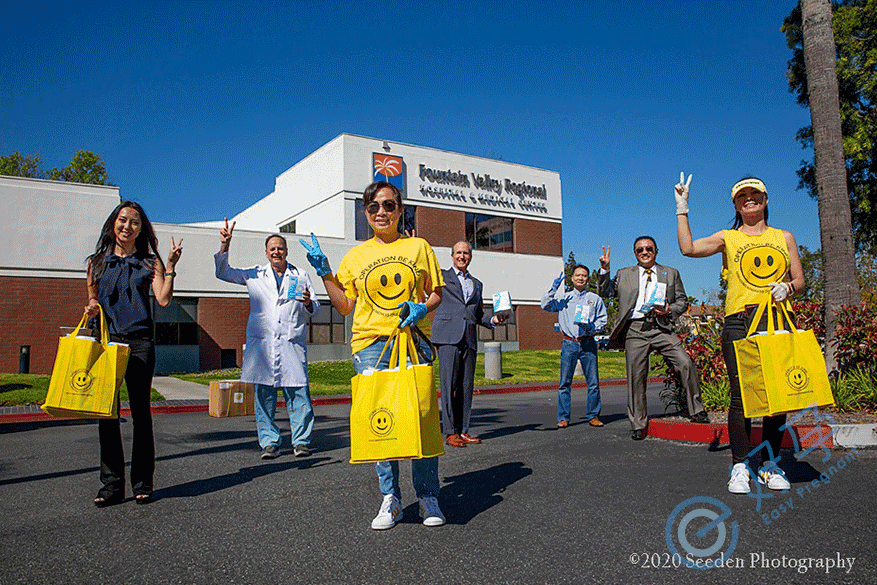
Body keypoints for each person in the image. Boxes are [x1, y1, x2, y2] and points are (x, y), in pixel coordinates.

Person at [300, 181, 446, 530]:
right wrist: (325, 272)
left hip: (411, 341)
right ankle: (390, 499)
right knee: (382, 420)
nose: (381, 212)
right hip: (370, 345)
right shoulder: (355, 256)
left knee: (423, 416)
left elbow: (436, 293)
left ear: (400, 210)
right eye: (373, 207)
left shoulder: (418, 247)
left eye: (389, 205)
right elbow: (345, 305)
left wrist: (421, 309)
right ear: (366, 213)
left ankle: (427, 496)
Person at [675, 172, 804, 494]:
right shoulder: (728, 238)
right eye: (742, 195)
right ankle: (740, 466)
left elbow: (800, 281)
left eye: (755, 194)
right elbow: (688, 249)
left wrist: (788, 287)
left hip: (776, 320)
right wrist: (682, 208)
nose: (749, 198)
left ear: (765, 200)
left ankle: (770, 464)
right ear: (735, 203)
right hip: (739, 322)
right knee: (741, 397)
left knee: (777, 398)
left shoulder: (784, 237)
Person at [85, 201, 183, 507]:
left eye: (135, 222)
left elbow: (163, 300)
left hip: (140, 342)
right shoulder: (96, 263)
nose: (127, 226)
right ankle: (111, 486)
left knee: (141, 414)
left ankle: (143, 482)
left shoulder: (149, 263)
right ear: (113, 223)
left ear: (142, 229)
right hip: (107, 343)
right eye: (123, 220)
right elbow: (92, 301)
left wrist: (171, 265)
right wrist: (91, 307)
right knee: (107, 413)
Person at [215, 225, 318, 460]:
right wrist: (225, 244)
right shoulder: (254, 275)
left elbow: (315, 307)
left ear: (286, 251)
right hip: (263, 347)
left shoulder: (300, 275)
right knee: (264, 396)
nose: (276, 252)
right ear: (266, 252)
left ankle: (301, 442)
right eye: (272, 249)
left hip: (291, 344)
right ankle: (269, 443)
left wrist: (309, 303)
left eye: (280, 248)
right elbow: (223, 272)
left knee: (299, 395)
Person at [597, 236, 708, 440]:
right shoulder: (623, 274)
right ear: (635, 254)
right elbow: (604, 292)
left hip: (662, 326)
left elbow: (682, 301)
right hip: (635, 329)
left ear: (656, 250)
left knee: (685, 363)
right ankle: (638, 423)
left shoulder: (671, 273)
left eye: (648, 248)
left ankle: (697, 410)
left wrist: (669, 309)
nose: (644, 252)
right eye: (640, 250)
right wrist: (605, 270)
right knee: (636, 376)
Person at [432, 241, 507, 448]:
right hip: (448, 337)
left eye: (465, 253)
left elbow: (478, 314)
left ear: (470, 256)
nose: (462, 256)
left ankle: (463, 430)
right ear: (452, 255)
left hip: (469, 338)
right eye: (458, 252)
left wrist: (493, 321)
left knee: (466, 387)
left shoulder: (477, 284)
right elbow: (422, 271)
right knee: (448, 386)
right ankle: (449, 432)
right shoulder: (442, 276)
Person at [541, 264, 608, 428]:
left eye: (584, 275)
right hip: (569, 343)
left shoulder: (594, 299)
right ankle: (563, 417)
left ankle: (593, 415)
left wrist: (593, 328)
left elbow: (602, 320)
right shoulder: (564, 298)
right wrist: (553, 288)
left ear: (588, 279)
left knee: (593, 383)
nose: (580, 278)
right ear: (572, 278)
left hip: (588, 343)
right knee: (564, 383)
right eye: (577, 275)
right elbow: (545, 305)